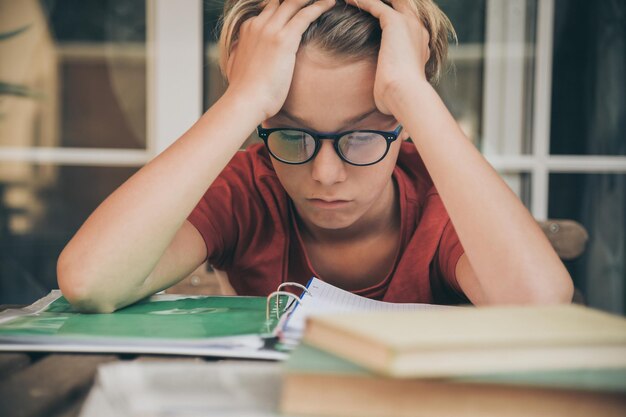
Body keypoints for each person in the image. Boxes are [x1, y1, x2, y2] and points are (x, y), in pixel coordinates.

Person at [57, 0, 574, 313]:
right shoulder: (248, 190)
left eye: (365, 136)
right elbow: (90, 281)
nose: (325, 175)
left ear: (404, 127)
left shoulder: (444, 202)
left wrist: (414, 93)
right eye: (289, 135)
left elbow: (539, 305)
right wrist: (244, 99)